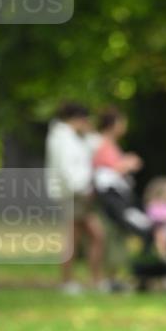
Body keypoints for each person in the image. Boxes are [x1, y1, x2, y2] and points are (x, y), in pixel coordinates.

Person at [44, 102, 105, 294]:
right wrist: (81, 188)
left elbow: (97, 146)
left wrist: (90, 131)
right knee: (74, 238)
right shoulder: (61, 138)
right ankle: (68, 281)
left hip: (80, 193)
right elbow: (66, 169)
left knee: (93, 235)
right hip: (71, 194)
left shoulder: (77, 137)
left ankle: (94, 280)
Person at [92, 108, 145, 291]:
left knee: (117, 237)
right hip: (109, 199)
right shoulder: (102, 143)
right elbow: (106, 169)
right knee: (108, 237)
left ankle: (113, 278)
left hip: (117, 196)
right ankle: (103, 279)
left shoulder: (110, 144)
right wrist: (128, 163)